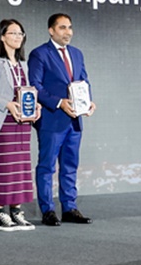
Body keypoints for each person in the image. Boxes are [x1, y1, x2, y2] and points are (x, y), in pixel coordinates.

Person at [28, 13, 96, 227]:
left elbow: (83, 82)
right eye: (63, 28)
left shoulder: (77, 53)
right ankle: (47, 210)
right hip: (52, 119)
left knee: (70, 166)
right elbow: (35, 86)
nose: (68, 32)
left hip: (74, 120)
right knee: (47, 166)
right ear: (51, 30)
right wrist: (59, 103)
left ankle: (69, 208)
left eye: (70, 27)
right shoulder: (39, 53)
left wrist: (89, 102)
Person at [0, 19, 41, 231]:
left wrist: (36, 106)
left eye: (20, 33)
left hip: (22, 122)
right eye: (13, 33)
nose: (18, 37)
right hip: (3, 120)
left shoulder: (23, 64)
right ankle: (1, 213)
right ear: (2, 36)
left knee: (21, 167)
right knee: (5, 167)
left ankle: (16, 211)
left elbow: (29, 91)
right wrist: (7, 104)